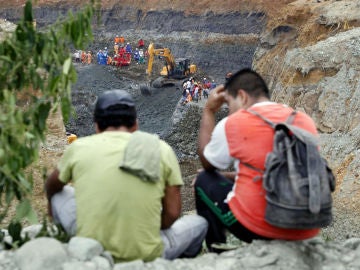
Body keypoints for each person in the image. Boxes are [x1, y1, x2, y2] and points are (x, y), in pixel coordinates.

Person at [45, 89, 207, 262]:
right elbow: (173, 213)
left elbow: (51, 186)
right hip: (147, 254)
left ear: (97, 125)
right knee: (200, 224)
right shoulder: (161, 149)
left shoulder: (78, 148)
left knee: (61, 195)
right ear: (135, 124)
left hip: (92, 252)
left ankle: (69, 245)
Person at [194, 68, 320, 252]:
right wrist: (227, 176)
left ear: (242, 97)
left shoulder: (235, 123)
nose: (229, 111)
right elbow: (271, 172)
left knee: (204, 179)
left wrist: (209, 111)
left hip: (260, 229)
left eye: (229, 104)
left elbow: (207, 162)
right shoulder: (302, 120)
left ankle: (217, 252)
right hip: (305, 229)